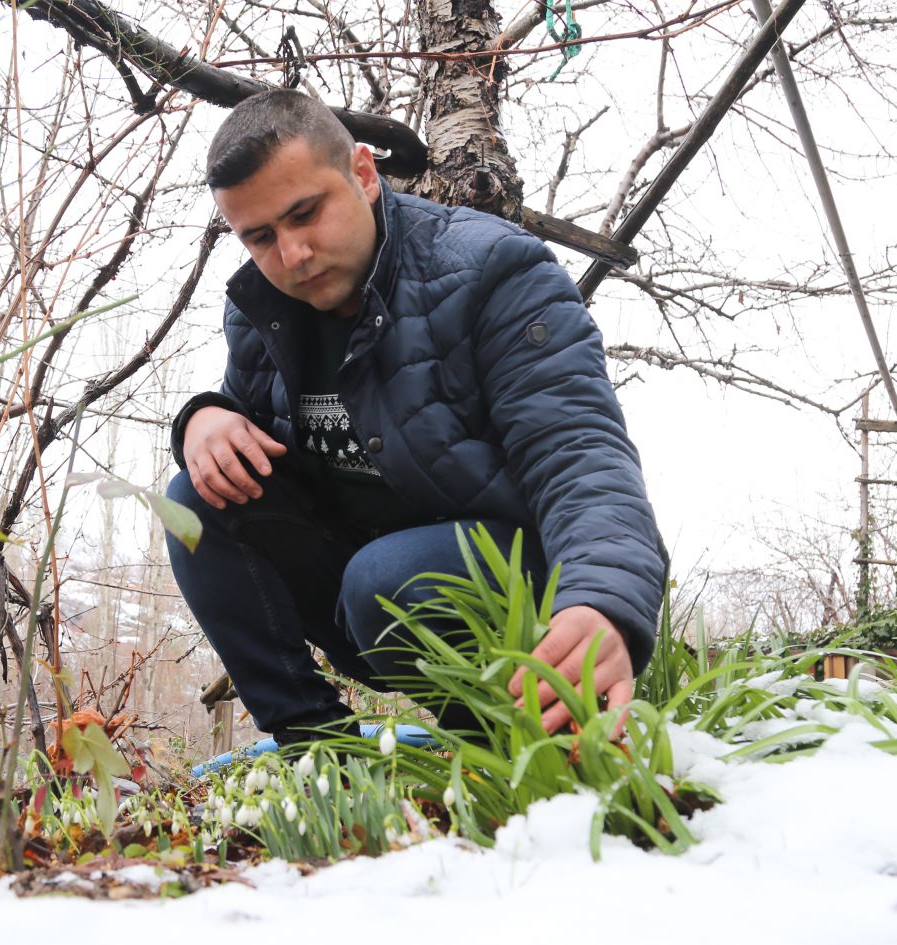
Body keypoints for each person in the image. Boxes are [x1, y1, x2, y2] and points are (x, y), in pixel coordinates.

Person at [165, 89, 667, 746]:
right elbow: (258, 449)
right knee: (195, 500)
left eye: (305, 213)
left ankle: (523, 728)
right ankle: (321, 751)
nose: (291, 255)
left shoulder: (491, 269)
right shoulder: (264, 312)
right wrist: (203, 419)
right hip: (372, 597)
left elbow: (577, 449)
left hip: (524, 585)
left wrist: (602, 601)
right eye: (259, 236)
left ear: (364, 175)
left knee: (389, 576)